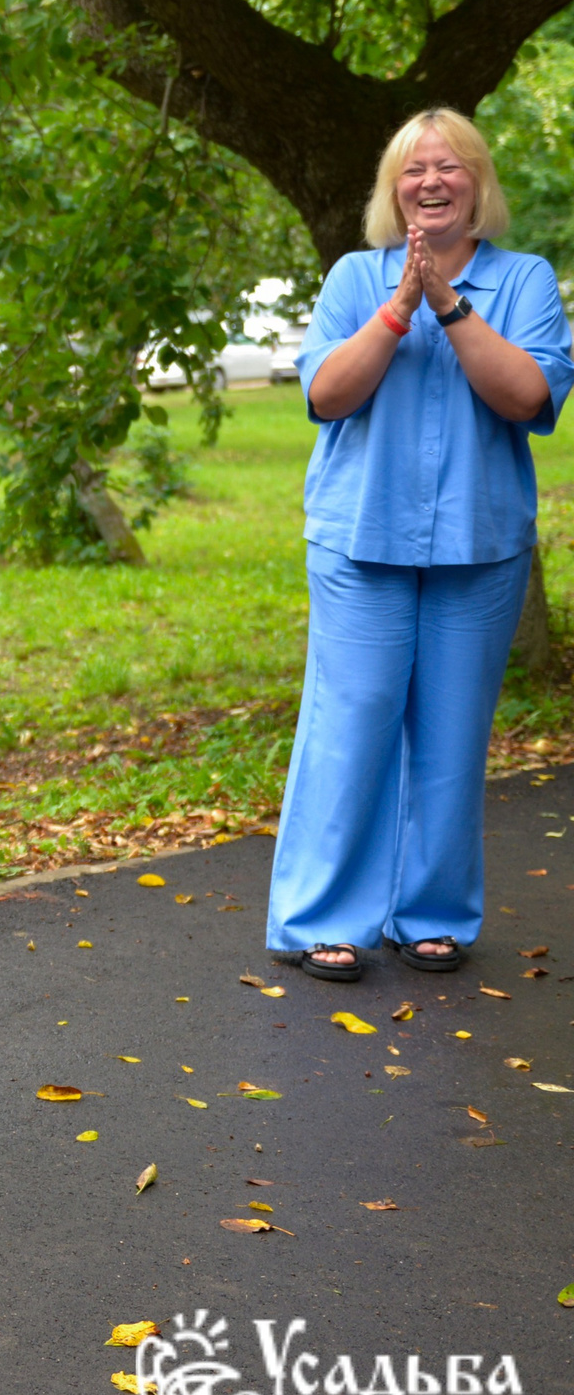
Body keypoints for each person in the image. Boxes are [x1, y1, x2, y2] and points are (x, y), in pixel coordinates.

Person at [269, 108, 573, 981]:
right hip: (361, 543)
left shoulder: (527, 280)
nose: (431, 181)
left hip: (477, 550)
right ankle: (322, 917)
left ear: (478, 185)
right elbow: (327, 394)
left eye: (449, 167)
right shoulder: (354, 278)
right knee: (351, 723)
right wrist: (403, 305)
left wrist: (450, 301)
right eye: (414, 170)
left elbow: (526, 397)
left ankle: (431, 912)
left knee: (451, 735)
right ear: (391, 190)